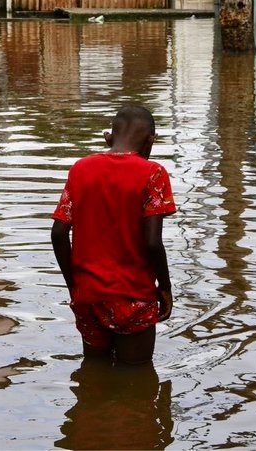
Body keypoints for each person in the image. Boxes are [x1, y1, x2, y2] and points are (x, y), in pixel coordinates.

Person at [51, 105, 177, 364]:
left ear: (108, 137)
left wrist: (73, 285)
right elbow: (153, 243)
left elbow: (58, 233)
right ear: (151, 140)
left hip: (87, 297)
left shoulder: (80, 169)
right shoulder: (153, 173)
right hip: (133, 298)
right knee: (136, 381)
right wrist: (164, 288)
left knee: (94, 373)